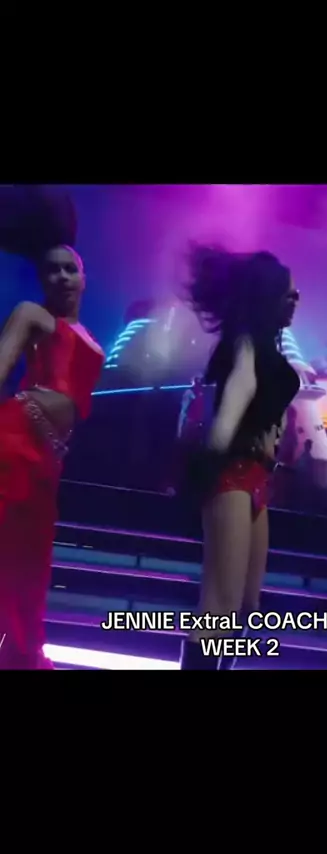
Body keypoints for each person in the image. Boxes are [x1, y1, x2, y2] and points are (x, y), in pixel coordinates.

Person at [180, 246, 300, 669]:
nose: (296, 298)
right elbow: (238, 391)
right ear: (267, 296)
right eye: (287, 292)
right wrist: (215, 450)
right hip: (231, 471)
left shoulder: (266, 347)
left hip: (257, 476)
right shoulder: (245, 343)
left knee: (247, 606)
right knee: (220, 606)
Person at [0, 185, 105, 669]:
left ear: (84, 277)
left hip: (48, 459)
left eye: (69, 269)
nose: (61, 276)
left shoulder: (94, 342)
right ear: (41, 278)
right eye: (51, 270)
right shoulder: (32, 315)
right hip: (13, 440)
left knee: (29, 565)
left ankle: (20, 655)